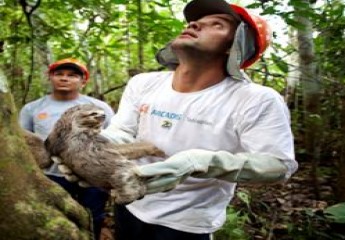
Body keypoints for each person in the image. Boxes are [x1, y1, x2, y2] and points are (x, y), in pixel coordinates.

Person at [58, 0, 298, 239]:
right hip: (130, 203)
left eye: (216, 24)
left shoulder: (255, 99)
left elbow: (278, 165)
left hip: (187, 222)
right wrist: (91, 150)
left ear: (235, 46)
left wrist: (200, 162)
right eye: (195, 21)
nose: (194, 24)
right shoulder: (144, 83)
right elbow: (123, 131)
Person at [19, 58, 115, 240]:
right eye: (59, 74)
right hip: (51, 175)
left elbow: (114, 137)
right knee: (56, 217)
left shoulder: (99, 108)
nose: (65, 78)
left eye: (72, 75)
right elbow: (23, 141)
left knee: (93, 216)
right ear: (50, 77)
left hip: (91, 174)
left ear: (83, 81)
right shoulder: (32, 108)